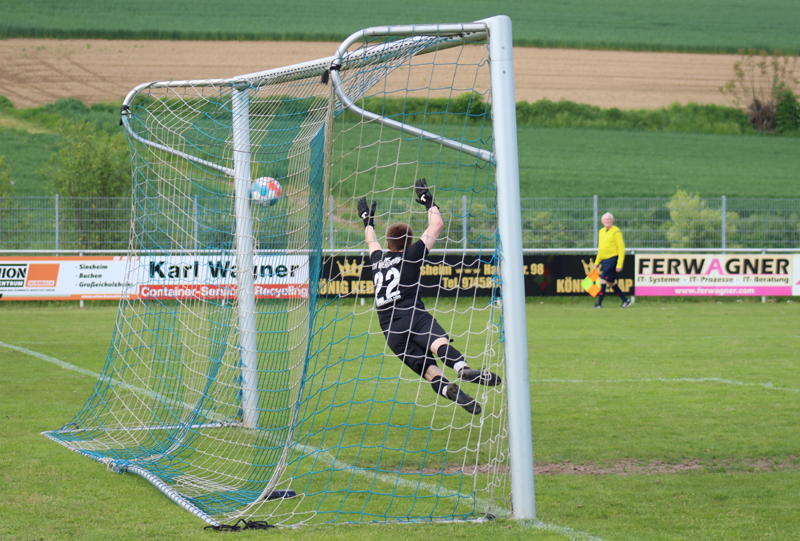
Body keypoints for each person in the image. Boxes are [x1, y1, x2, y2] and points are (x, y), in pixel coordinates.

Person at [357, 179, 501, 415]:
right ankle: (462, 368)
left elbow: (371, 241)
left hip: (389, 331)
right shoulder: (411, 255)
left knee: (429, 370)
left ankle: (450, 391)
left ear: (388, 243)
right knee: (438, 345)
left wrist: (367, 220)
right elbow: (437, 224)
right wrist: (428, 200)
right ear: (410, 243)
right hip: (412, 315)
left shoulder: (377, 260)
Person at [593, 212, 633, 308]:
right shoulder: (601, 231)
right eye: (605, 220)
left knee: (602, 280)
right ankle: (625, 300)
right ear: (602, 221)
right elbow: (601, 248)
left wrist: (619, 264)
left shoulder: (616, 231)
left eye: (609, 219)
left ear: (612, 221)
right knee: (610, 283)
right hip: (604, 260)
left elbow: (621, 248)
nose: (607, 221)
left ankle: (599, 303)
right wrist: (597, 261)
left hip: (612, 259)